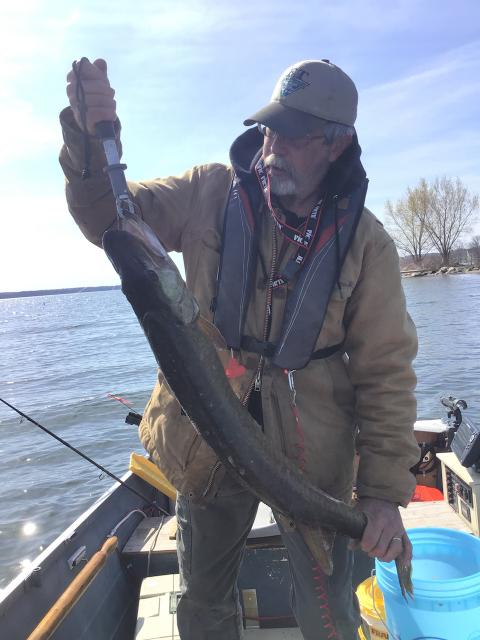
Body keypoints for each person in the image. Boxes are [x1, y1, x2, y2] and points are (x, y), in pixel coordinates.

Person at [60, 58, 420, 640]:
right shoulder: (208, 190)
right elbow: (108, 216)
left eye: (294, 134)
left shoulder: (368, 244)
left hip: (313, 459)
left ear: (336, 144)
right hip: (203, 444)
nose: (273, 145)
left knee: (328, 611)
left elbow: (387, 374)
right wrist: (86, 143)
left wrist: (381, 494)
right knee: (203, 604)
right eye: (269, 127)